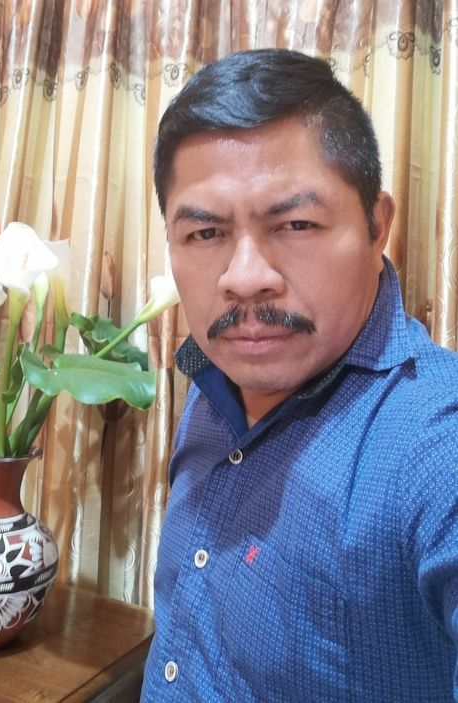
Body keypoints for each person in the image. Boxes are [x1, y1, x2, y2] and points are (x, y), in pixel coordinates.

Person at [139, 49, 458, 703]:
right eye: (205, 233)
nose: (244, 277)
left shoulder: (433, 442)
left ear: (376, 225)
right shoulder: (214, 375)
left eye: (295, 224)